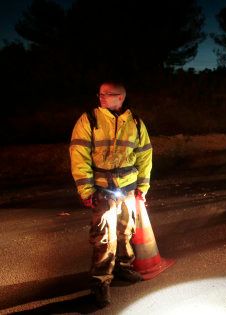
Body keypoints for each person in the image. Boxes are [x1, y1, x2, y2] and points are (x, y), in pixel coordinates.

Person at [69, 81, 152, 308]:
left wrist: (142, 188)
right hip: (102, 191)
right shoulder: (89, 120)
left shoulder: (135, 123)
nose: (102, 97)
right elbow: (79, 155)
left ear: (121, 98)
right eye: (100, 93)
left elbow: (145, 156)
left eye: (108, 94)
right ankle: (100, 283)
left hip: (127, 189)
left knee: (126, 231)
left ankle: (123, 268)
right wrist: (86, 190)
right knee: (104, 238)